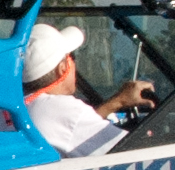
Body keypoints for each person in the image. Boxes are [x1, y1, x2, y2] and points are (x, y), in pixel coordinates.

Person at [17, 21, 159, 157]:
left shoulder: (10, 108)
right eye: (71, 56)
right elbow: (135, 151)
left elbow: (74, 133)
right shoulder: (61, 110)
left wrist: (119, 102)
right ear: (62, 69)